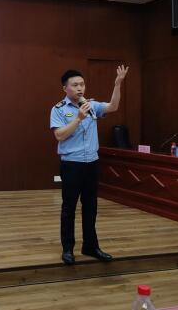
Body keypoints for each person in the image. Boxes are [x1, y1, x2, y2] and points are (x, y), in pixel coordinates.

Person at [50, 65, 129, 265]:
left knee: (91, 207)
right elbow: (59, 135)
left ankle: (90, 246)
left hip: (92, 163)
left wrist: (117, 84)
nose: (80, 88)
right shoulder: (58, 109)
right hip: (72, 164)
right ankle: (68, 248)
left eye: (82, 84)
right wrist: (78, 118)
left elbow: (113, 106)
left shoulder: (91, 105)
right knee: (69, 207)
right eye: (75, 85)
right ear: (65, 88)